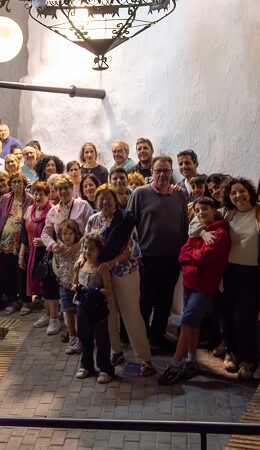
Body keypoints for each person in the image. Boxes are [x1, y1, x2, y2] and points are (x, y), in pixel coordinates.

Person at [159, 197, 231, 385]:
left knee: (187, 321)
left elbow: (205, 256)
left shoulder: (220, 233)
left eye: (205, 209)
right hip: (189, 282)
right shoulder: (197, 230)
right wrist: (191, 256)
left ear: (214, 209)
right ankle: (191, 360)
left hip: (204, 285)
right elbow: (183, 253)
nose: (200, 213)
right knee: (194, 323)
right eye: (197, 211)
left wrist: (189, 256)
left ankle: (175, 362)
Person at [86, 186, 154, 375]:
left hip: (125, 273)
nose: (105, 202)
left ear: (116, 200)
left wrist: (111, 262)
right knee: (108, 315)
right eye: (101, 199)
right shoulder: (93, 220)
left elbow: (131, 249)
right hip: (101, 275)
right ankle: (115, 352)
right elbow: (87, 245)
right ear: (96, 201)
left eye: (109, 198)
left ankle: (144, 359)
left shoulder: (125, 220)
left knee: (131, 315)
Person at [218, 178, 260, 379]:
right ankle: (231, 352)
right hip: (228, 271)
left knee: (244, 318)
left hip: (252, 273)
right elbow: (202, 222)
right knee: (226, 314)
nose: (238, 196)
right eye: (233, 193)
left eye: (241, 191)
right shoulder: (228, 214)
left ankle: (248, 359)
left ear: (250, 192)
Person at [126, 156, 188, 349]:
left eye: (166, 171)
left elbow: (183, 227)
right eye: (158, 170)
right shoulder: (140, 194)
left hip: (172, 259)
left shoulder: (179, 195)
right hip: (147, 259)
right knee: (145, 302)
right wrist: (134, 254)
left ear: (171, 173)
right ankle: (142, 340)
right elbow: (128, 226)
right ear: (151, 172)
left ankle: (157, 337)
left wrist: (183, 257)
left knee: (165, 302)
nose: (162, 174)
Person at [40, 178, 94, 335]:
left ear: (72, 188)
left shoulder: (82, 205)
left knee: (82, 297)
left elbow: (92, 229)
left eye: (66, 188)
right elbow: (45, 232)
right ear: (55, 191)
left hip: (83, 258)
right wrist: (53, 245)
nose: (63, 191)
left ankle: (86, 332)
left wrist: (78, 245)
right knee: (67, 300)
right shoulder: (53, 211)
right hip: (63, 261)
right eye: (59, 189)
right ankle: (73, 334)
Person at [73, 234, 114, 383]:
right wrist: (77, 287)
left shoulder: (102, 268)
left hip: (98, 308)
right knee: (84, 337)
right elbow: (73, 282)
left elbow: (108, 290)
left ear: (99, 250)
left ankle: (105, 368)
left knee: (102, 339)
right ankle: (87, 365)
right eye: (85, 248)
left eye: (91, 249)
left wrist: (94, 290)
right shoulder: (81, 264)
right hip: (83, 307)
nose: (87, 251)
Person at [0, 172, 34, 314]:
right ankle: (12, 300)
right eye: (14, 182)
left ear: (24, 184)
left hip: (22, 244)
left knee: (22, 273)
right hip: (5, 244)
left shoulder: (30, 200)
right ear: (10, 184)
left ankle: (25, 301)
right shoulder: (5, 199)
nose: (17, 184)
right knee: (8, 273)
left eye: (20, 182)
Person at [20, 181, 52, 318]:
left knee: (45, 280)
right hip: (30, 251)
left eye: (41, 194)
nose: (38, 197)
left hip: (46, 252)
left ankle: (48, 310)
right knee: (26, 275)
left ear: (47, 195)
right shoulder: (29, 210)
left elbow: (55, 234)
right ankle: (30, 303)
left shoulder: (52, 211)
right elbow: (24, 233)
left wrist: (44, 242)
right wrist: (21, 254)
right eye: (36, 193)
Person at [51, 218, 83, 355]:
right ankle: (72, 338)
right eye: (64, 234)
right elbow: (55, 264)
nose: (67, 237)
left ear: (76, 234)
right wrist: (59, 276)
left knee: (80, 312)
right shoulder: (58, 249)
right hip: (64, 286)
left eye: (70, 234)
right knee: (68, 312)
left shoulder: (80, 250)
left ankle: (83, 338)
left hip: (78, 287)